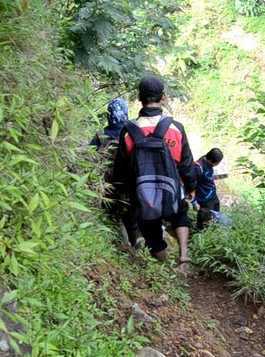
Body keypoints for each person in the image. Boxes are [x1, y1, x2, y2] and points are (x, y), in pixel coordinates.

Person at [112, 76, 197, 265]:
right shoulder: (176, 128)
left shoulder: (128, 130)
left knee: (149, 227)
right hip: (172, 189)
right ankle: (183, 254)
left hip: (142, 192)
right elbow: (186, 163)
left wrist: (122, 190)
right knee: (180, 214)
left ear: (139, 96)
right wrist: (191, 187)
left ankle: (165, 265)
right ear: (163, 96)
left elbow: (122, 166)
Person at [89, 98, 139, 246]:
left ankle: (123, 244)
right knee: (132, 214)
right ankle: (136, 242)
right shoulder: (133, 133)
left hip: (108, 184)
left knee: (113, 215)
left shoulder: (100, 135)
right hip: (131, 181)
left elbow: (89, 158)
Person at [192, 148, 223, 212]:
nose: (215, 165)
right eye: (215, 164)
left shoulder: (208, 161)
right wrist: (194, 202)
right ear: (210, 160)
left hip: (212, 194)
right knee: (207, 219)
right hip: (204, 199)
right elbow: (190, 185)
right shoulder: (198, 168)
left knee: (216, 215)